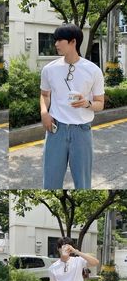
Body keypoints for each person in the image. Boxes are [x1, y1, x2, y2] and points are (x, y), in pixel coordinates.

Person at [40, 24, 105, 189]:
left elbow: (100, 103)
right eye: (55, 40)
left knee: (83, 186)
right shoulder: (49, 69)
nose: (55, 44)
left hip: (81, 132)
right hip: (56, 131)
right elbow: (45, 95)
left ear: (73, 42)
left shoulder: (93, 70)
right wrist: (44, 113)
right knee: (50, 184)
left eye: (60, 40)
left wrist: (87, 103)